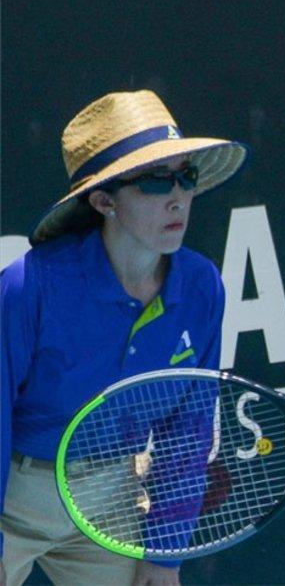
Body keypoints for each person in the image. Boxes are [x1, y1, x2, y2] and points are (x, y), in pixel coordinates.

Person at [1, 90, 248, 586]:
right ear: (104, 201)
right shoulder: (29, 288)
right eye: (157, 181)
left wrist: (164, 554)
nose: (178, 196)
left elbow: (187, 430)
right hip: (14, 497)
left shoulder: (201, 288)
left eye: (186, 176)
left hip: (111, 497)